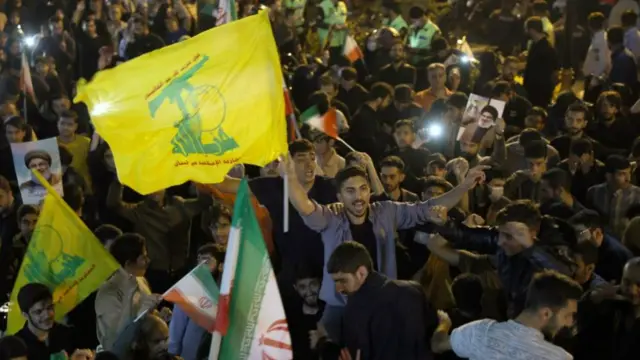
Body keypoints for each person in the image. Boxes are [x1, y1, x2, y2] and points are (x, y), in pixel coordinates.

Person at [286, 152, 486, 341]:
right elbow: (305, 206)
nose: (358, 197)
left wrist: (465, 185)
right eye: (350, 191)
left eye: (363, 189)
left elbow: (427, 208)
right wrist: (289, 177)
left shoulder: (385, 211)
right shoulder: (331, 216)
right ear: (339, 197)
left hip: (381, 303)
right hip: (340, 305)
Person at [432, 200, 574, 317]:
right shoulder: (505, 238)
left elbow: (566, 275)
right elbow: (468, 236)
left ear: (531, 234)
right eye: (500, 233)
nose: (499, 242)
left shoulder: (552, 248)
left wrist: (531, 248)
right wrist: (444, 224)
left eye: (508, 236)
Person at [315, 241, 438, 359]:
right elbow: (432, 339)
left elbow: (355, 356)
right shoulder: (414, 290)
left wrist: (323, 343)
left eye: (342, 280)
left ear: (361, 273)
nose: (338, 289)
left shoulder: (355, 311)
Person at [431, 270, 580, 360]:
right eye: (568, 315)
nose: (569, 322)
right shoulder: (559, 358)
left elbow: (437, 345)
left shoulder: (480, 331)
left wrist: (444, 324)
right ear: (546, 313)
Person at [95, 233, 160, 351]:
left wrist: (158, 318)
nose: (148, 261)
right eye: (143, 258)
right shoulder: (108, 292)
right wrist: (129, 298)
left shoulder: (141, 280)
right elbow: (114, 340)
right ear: (128, 263)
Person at [168, 244, 224, 360]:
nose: (201, 265)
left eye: (207, 260)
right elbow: (176, 326)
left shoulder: (227, 292)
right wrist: (172, 353)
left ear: (220, 265)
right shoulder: (188, 290)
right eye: (199, 260)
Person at [15, 283, 94, 360]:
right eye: (38, 312)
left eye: (50, 307)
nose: (47, 315)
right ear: (25, 315)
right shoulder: (16, 347)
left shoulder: (67, 334)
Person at [569, 209, 633, 282]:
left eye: (579, 234)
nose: (575, 239)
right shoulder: (592, 247)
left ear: (597, 233)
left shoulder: (615, 256)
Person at [523, 16, 559, 107]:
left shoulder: (545, 49)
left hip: (539, 94)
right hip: (535, 91)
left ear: (531, 30)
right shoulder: (538, 46)